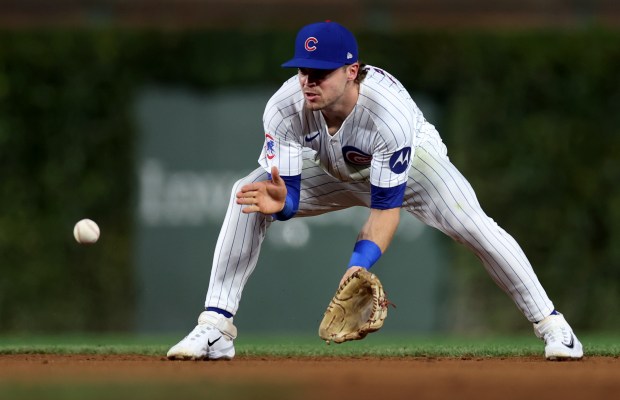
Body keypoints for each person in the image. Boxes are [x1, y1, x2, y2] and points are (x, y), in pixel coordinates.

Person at [167, 21, 583, 361]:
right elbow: (286, 190)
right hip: (334, 168)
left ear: (352, 71)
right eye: (302, 70)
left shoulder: (389, 115)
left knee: (474, 225)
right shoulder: (284, 107)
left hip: (414, 163)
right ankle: (216, 328)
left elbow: (386, 210)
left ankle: (554, 327)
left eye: (320, 73)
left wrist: (358, 265)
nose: (308, 81)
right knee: (248, 193)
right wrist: (284, 205)